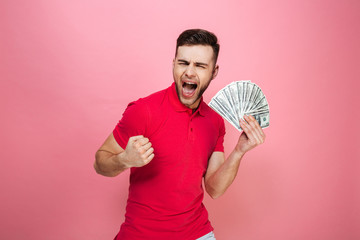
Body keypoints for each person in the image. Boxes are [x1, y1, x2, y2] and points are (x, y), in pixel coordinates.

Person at [94, 29, 266, 240]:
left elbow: (215, 189)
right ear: (174, 63)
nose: (189, 73)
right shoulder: (143, 110)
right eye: (183, 63)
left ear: (214, 71)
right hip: (142, 235)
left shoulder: (215, 122)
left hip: (197, 233)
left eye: (200, 66)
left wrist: (239, 151)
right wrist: (123, 160)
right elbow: (100, 163)